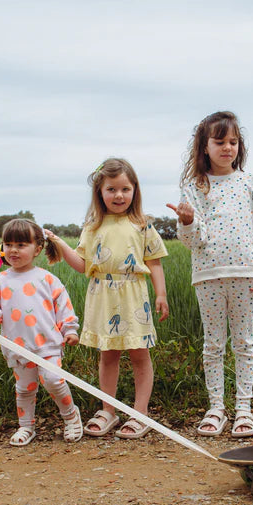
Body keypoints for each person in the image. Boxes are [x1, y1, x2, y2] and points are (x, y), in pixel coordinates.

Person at [167, 111, 253, 438]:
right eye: (220, 142)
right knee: (213, 343)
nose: (227, 147)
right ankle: (216, 407)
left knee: (244, 343)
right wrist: (186, 221)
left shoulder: (252, 184)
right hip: (208, 275)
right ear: (204, 147)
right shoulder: (193, 187)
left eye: (233, 141)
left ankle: (244, 408)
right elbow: (192, 241)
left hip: (246, 274)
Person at [45, 157, 169, 439]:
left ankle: (140, 413)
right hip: (102, 296)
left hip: (134, 295)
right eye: (111, 189)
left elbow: (155, 262)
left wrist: (161, 294)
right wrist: (61, 244)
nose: (119, 195)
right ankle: (108, 410)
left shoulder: (142, 224)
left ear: (134, 190)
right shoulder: (93, 226)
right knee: (108, 355)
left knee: (140, 354)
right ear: (100, 192)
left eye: (125, 189)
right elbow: (83, 265)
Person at [0, 218, 82, 446]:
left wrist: (70, 329)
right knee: (24, 389)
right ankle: (26, 426)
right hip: (17, 346)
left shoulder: (47, 279)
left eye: (21, 245)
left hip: (48, 344)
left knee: (53, 380)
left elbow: (63, 307)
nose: (13, 250)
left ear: (38, 249)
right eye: (8, 244)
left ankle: (71, 416)